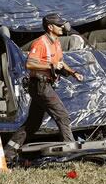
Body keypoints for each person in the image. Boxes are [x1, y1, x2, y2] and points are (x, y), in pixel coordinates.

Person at [5, 13, 84, 160]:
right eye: (59, 25)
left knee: (33, 124)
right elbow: (29, 63)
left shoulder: (57, 42)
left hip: (46, 85)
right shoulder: (40, 43)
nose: (62, 27)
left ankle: (8, 153)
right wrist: (51, 65)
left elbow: (60, 62)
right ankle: (71, 152)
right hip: (40, 85)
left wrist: (73, 73)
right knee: (62, 116)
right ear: (50, 27)